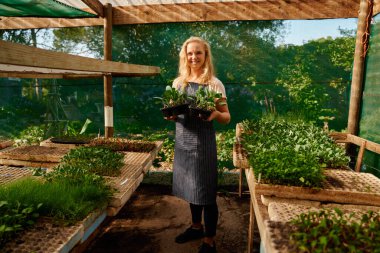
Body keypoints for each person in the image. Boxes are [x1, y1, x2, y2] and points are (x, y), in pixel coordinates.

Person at [165, 36, 231, 253]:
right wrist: (172, 117)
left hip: (203, 145)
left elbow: (226, 117)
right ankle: (195, 227)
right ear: (185, 56)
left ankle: (209, 241)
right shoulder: (178, 83)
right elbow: (175, 110)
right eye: (190, 53)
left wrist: (214, 114)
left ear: (206, 56)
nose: (194, 57)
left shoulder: (214, 83)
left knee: (206, 192)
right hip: (183, 142)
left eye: (198, 53)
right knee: (190, 188)